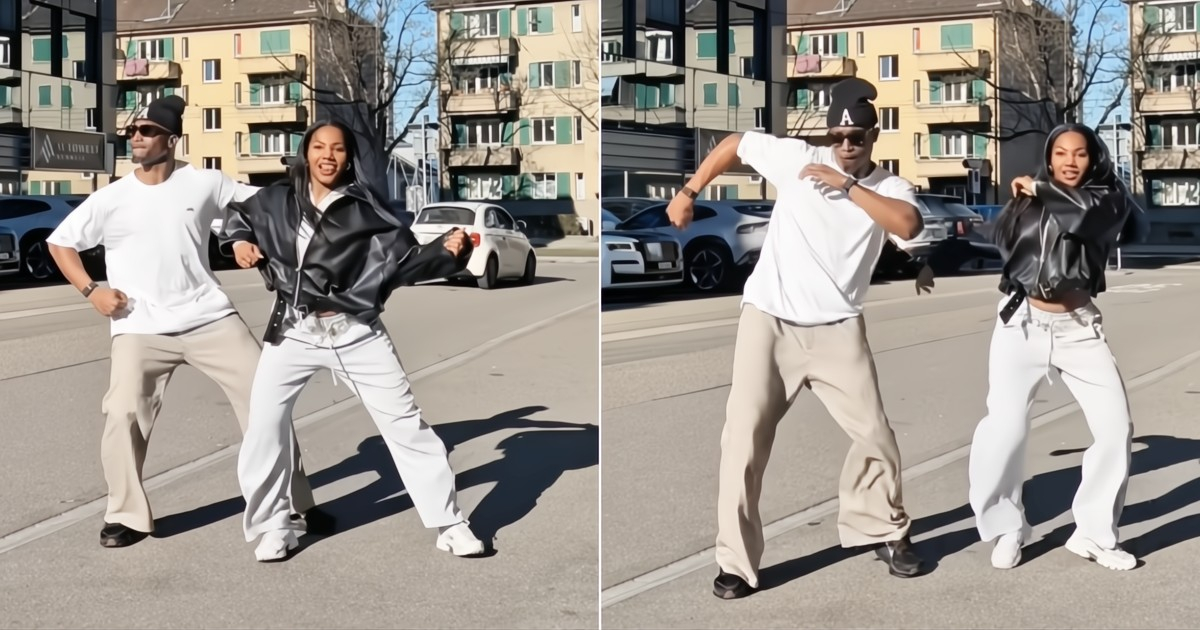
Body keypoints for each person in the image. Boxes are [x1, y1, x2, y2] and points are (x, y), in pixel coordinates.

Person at [665, 78, 927, 600]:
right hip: (770, 321)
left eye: (857, 137)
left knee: (876, 436)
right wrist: (690, 190)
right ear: (829, 133)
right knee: (741, 440)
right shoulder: (796, 157)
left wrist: (846, 185)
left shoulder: (889, 187)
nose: (846, 146)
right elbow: (734, 144)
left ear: (874, 136)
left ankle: (883, 530)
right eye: (838, 136)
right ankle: (736, 564)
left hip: (838, 330)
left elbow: (909, 224)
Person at [46, 95, 324, 548]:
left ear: (171, 140)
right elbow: (61, 244)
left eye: (149, 131)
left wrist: (238, 239)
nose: (137, 137)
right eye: (133, 130)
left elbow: (257, 209)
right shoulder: (111, 198)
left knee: (266, 402)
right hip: (138, 326)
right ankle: (127, 515)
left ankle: (296, 502)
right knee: (121, 412)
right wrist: (91, 290)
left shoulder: (205, 183)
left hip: (209, 317)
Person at [220, 120, 487, 562]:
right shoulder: (274, 200)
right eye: (320, 147)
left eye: (338, 149)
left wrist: (447, 247)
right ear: (306, 153)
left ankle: (450, 523)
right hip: (293, 333)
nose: (328, 155)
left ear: (348, 158)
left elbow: (405, 264)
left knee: (406, 426)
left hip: (356, 333)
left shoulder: (368, 209)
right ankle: (274, 526)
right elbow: (235, 214)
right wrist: (239, 241)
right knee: (265, 429)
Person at [968, 123, 1148, 571]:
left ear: (1093, 159)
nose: (1070, 161)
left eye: (1080, 154)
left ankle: (1093, 534)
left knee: (1115, 429)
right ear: (1049, 158)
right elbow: (1008, 249)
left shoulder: (1107, 198)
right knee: (1004, 432)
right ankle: (1008, 527)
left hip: (1079, 329)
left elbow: (1083, 217)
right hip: (1021, 325)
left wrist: (1040, 188)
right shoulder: (1027, 200)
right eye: (1061, 153)